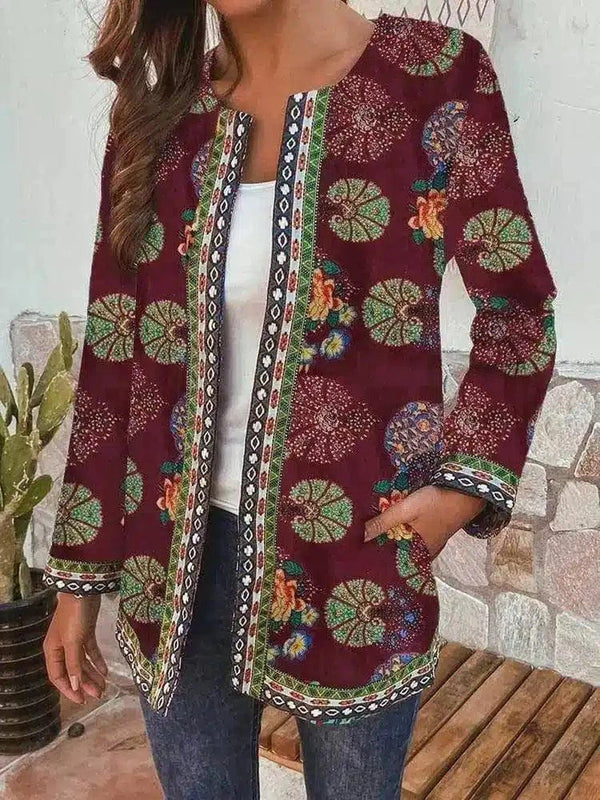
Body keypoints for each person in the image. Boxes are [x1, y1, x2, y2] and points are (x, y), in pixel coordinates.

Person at [42, 1, 558, 798]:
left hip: (352, 564)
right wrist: (78, 581)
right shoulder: (161, 117)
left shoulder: (434, 76)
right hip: (170, 570)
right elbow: (114, 350)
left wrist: (459, 492)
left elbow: (518, 311)